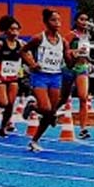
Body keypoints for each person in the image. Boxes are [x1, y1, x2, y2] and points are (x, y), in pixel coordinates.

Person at [21, 9, 66, 151]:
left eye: (59, 20)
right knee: (46, 109)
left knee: (50, 112)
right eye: (54, 20)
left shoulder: (63, 41)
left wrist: (76, 56)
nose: (57, 23)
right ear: (46, 22)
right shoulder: (39, 38)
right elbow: (22, 51)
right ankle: (33, 106)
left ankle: (35, 140)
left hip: (56, 76)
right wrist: (32, 64)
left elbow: (69, 61)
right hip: (40, 76)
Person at [0, 15, 23, 138]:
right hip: (2, 76)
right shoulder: (0, 44)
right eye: (12, 29)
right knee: (4, 103)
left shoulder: (20, 44)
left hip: (13, 76)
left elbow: (27, 56)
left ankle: (2, 128)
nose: (15, 32)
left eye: (17, 29)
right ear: (6, 31)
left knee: (10, 104)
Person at [65, 12, 93, 139]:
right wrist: (73, 52)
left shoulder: (87, 36)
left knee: (83, 97)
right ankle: (49, 114)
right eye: (82, 19)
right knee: (63, 98)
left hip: (82, 67)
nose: (84, 22)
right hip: (70, 67)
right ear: (76, 21)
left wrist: (89, 59)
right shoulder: (71, 35)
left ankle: (83, 128)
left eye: (86, 19)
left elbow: (86, 51)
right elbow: (63, 49)